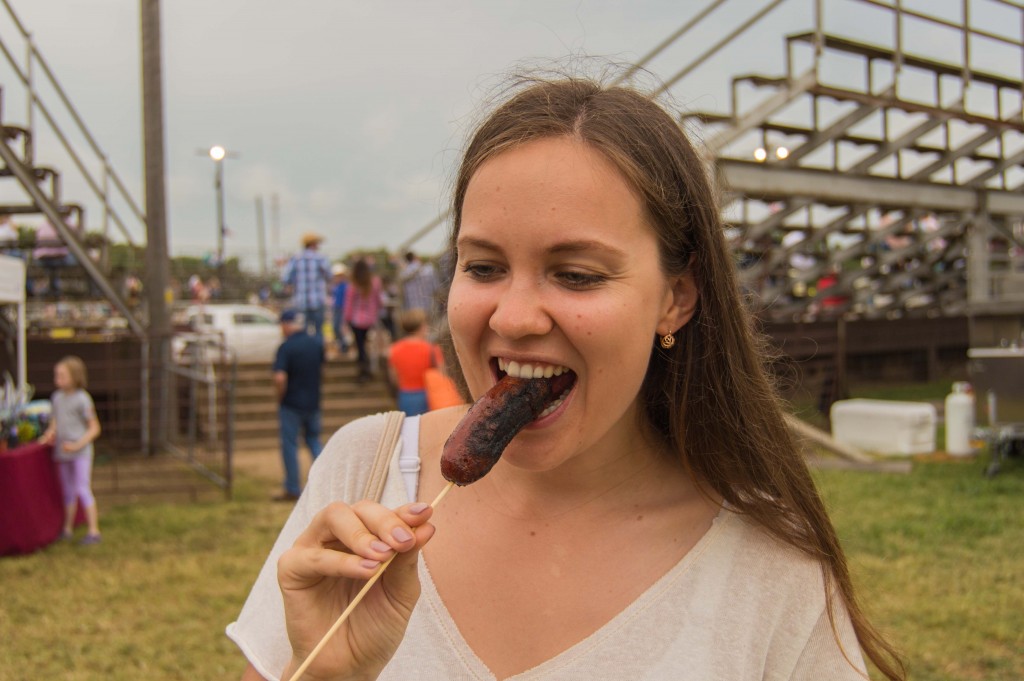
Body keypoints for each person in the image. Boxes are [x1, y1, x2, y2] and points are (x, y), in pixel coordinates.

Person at [229, 74, 905, 681]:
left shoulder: (771, 568)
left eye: (576, 274)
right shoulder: (361, 474)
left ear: (676, 296)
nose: (515, 316)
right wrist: (324, 677)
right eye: (484, 267)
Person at [40, 355, 102, 545]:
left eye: (62, 375)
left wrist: (77, 445)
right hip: (63, 452)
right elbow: (55, 423)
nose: (57, 379)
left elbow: (94, 428)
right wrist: (49, 435)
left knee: (82, 488)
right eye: (56, 375)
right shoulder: (57, 398)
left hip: (80, 453)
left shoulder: (83, 399)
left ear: (74, 377)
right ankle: (67, 528)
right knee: (68, 491)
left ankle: (94, 531)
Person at [271, 309, 325, 502]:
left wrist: (280, 396)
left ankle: (293, 488)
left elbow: (280, 377)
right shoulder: (316, 344)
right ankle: (327, 484)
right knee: (314, 441)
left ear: (287, 324)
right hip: (313, 402)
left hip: (291, 403)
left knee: (289, 445)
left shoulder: (286, 348)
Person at [386, 307, 441, 417]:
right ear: (421, 327)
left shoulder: (394, 349)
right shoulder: (431, 349)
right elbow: (441, 373)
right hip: (427, 394)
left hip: (405, 395)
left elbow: (393, 377)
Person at [281, 232, 332, 340]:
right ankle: (318, 354)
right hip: (318, 301)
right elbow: (329, 276)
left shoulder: (296, 258)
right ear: (313, 244)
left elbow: (286, 278)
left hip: (301, 302)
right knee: (318, 332)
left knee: (302, 332)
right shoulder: (321, 258)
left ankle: (305, 355)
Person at [343, 258, 383, 383]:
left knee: (360, 346)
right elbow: (378, 301)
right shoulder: (375, 282)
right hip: (370, 319)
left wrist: (346, 320)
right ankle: (367, 369)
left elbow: (348, 305)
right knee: (365, 345)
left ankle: (363, 370)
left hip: (356, 320)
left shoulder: (353, 285)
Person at [400, 251, 441, 326]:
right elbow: (436, 288)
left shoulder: (404, 272)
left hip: (412, 309)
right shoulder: (429, 270)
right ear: (415, 257)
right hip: (429, 307)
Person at [329, 263, 351, 358]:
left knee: (340, 328)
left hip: (343, 309)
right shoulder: (335, 286)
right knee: (335, 328)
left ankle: (344, 345)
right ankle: (342, 344)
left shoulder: (346, 286)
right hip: (336, 309)